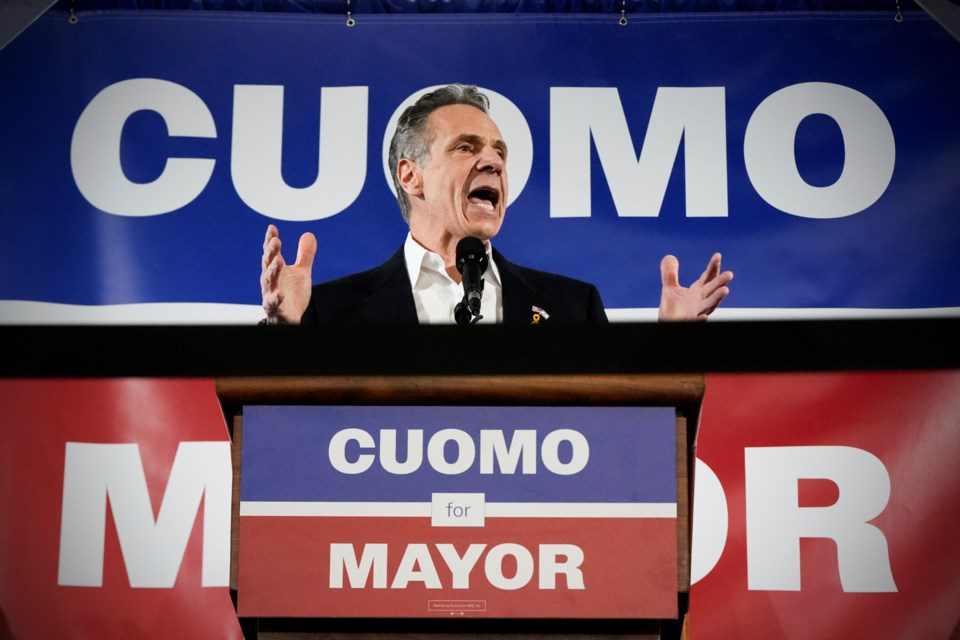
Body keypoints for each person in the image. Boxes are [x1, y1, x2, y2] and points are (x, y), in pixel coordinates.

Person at [260, 84, 732, 325]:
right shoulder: (331, 311)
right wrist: (285, 335)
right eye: (466, 148)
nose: (492, 162)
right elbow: (283, 437)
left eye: (499, 152)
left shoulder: (571, 307)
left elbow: (626, 432)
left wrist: (673, 346)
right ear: (410, 175)